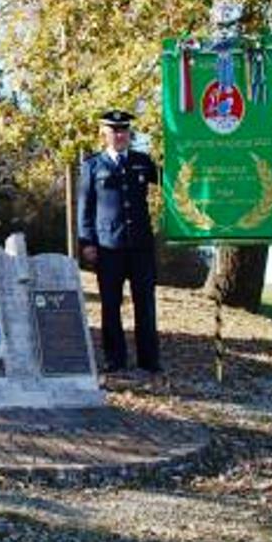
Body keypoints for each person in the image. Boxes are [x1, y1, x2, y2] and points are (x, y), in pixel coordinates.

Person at [77, 109, 162, 375]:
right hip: (108, 247)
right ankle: (115, 359)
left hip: (140, 247)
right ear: (104, 134)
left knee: (145, 304)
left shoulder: (142, 161)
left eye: (124, 130)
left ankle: (149, 360)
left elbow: (171, 179)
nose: (119, 135)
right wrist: (87, 242)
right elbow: (85, 207)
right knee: (111, 305)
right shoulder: (92, 165)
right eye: (114, 131)